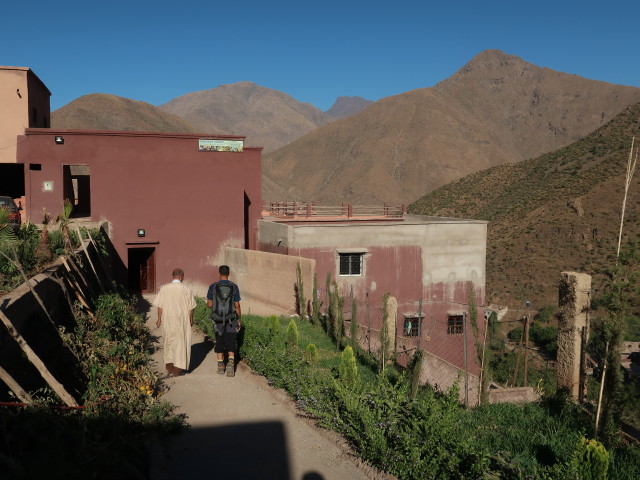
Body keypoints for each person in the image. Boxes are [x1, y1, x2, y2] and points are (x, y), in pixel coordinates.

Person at [153, 268, 197, 377]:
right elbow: (191, 308)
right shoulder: (186, 289)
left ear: (173, 276)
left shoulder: (164, 288)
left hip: (168, 319)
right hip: (182, 320)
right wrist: (191, 320)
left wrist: (159, 319)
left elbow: (160, 306)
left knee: (168, 341)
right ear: (182, 277)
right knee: (181, 343)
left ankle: (169, 366)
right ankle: (178, 369)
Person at [207, 265, 241, 377]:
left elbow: (209, 304)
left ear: (219, 273)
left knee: (219, 340)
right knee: (231, 340)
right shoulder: (234, 286)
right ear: (229, 273)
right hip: (231, 318)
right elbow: (237, 305)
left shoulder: (213, 286)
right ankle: (231, 365)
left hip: (217, 319)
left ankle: (221, 366)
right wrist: (239, 320)